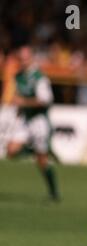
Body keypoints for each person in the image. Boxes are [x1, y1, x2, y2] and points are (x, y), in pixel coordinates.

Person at [7, 45, 59, 201]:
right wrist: (18, 110)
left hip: (39, 121)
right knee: (11, 151)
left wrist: (23, 102)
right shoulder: (18, 76)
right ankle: (33, 151)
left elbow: (46, 100)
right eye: (20, 59)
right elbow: (18, 95)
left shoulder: (39, 77)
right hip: (25, 120)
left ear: (31, 58)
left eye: (25, 59)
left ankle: (53, 193)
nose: (22, 62)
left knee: (42, 162)